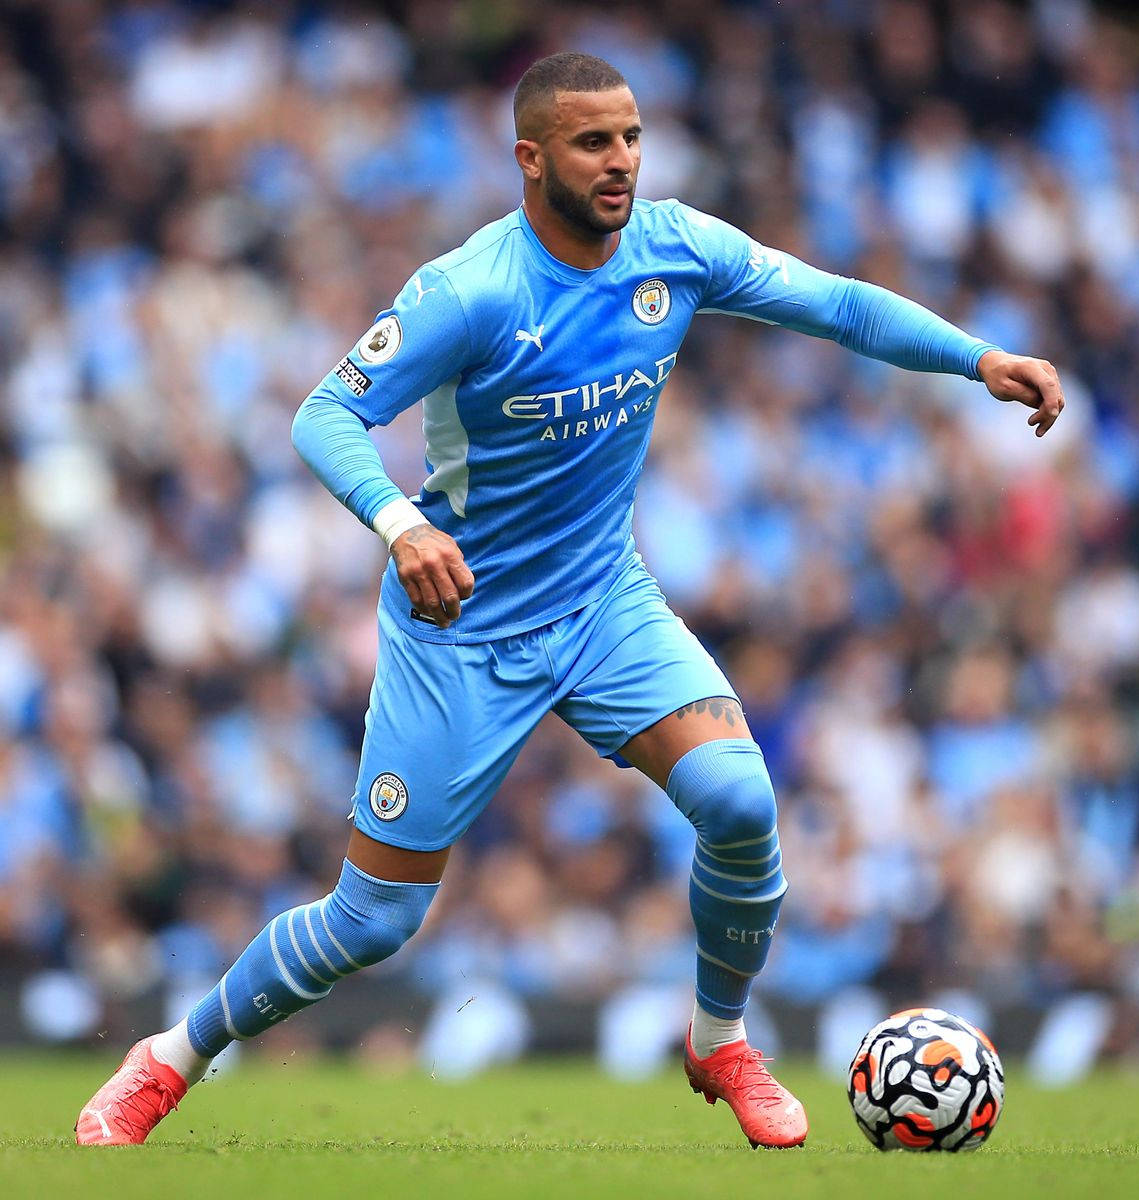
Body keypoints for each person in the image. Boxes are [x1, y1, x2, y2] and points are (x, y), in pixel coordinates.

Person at [75, 51, 1063, 1149]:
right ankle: (171, 1059)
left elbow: (831, 304)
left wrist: (977, 358)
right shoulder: (471, 289)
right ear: (530, 157)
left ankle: (719, 1039)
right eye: (596, 143)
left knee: (739, 802)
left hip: (602, 605)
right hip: (462, 631)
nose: (623, 162)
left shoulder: (676, 247)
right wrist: (400, 526)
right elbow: (323, 414)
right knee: (374, 920)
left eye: (633, 137)